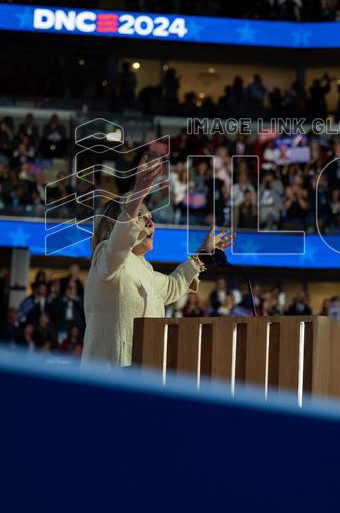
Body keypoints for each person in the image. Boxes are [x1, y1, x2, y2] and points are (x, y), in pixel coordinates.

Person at [81, 157, 234, 366]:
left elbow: (173, 286)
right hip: (106, 381)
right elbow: (118, 243)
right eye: (142, 217)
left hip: (142, 377)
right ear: (117, 225)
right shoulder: (106, 258)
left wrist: (203, 256)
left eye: (150, 216)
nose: (151, 222)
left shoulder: (146, 270)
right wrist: (137, 195)